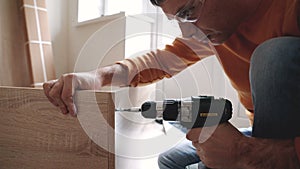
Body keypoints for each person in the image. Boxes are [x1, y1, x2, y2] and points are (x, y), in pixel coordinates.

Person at [43, 0, 300, 168]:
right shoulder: (211, 33)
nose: (188, 32)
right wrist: (97, 78)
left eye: (188, 12)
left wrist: (248, 153)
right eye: (178, 19)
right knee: (171, 160)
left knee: (274, 57)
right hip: (262, 134)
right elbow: (159, 61)